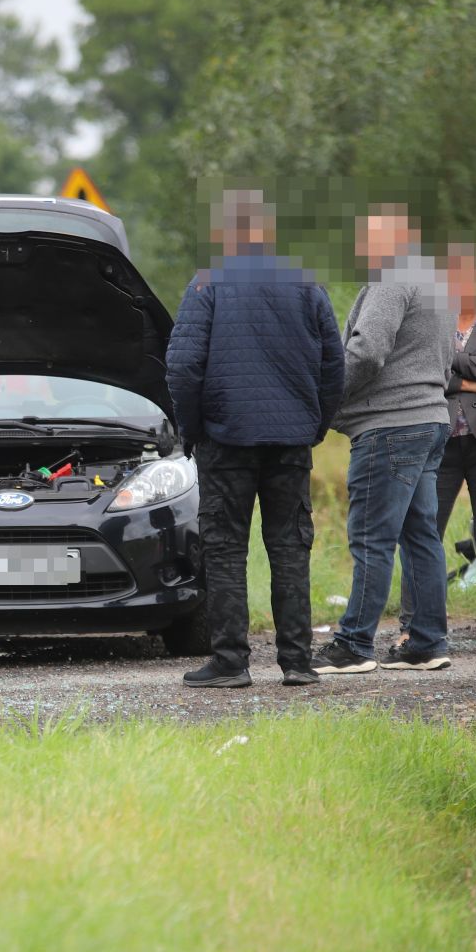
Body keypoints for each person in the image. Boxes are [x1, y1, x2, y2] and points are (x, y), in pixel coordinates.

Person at [166, 188, 345, 688]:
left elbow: (182, 366)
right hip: (290, 441)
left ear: (225, 233)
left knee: (224, 549)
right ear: (267, 232)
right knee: (290, 547)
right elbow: (335, 366)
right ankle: (297, 662)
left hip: (225, 440)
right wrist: (315, 424)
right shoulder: (307, 285)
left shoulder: (207, 284)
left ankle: (230, 662)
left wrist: (193, 428)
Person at [311, 204, 454, 674]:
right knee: (421, 537)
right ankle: (428, 642)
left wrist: (324, 398)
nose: (362, 246)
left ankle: (354, 643)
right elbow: (450, 355)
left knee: (372, 538)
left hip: (390, 426)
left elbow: (367, 351)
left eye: (369, 237)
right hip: (431, 419)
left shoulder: (392, 278)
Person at [398, 242, 476, 654]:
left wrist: (453, 362)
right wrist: (469, 381)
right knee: (423, 532)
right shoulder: (432, 318)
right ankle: (413, 626)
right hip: (440, 441)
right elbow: (421, 368)